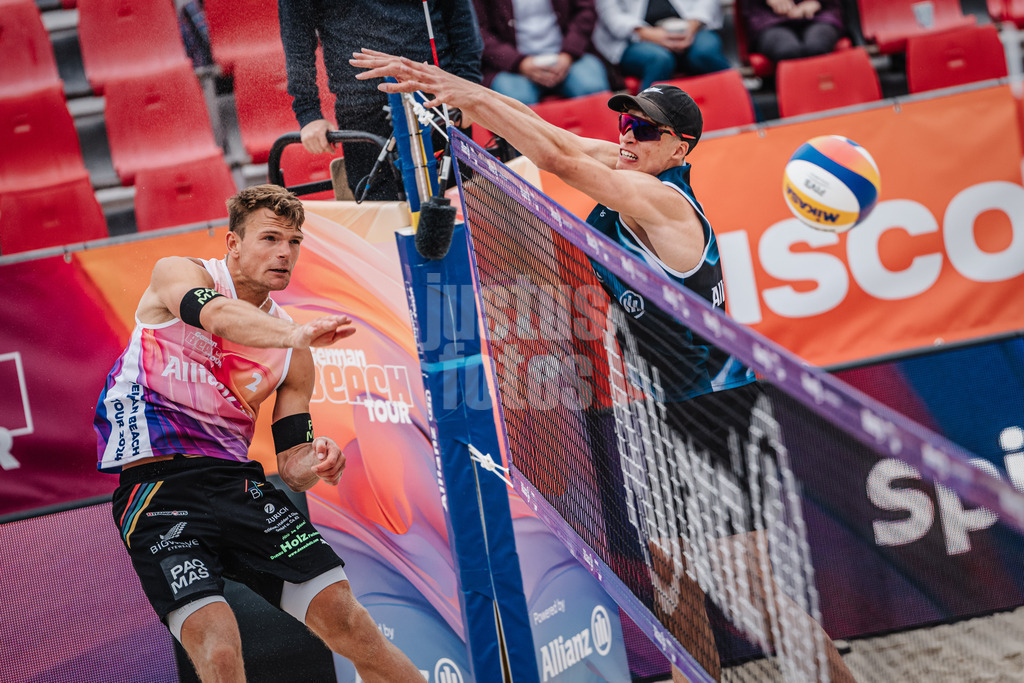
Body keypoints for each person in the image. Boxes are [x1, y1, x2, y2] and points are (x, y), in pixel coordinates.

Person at [351, 50, 856, 682]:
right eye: (624, 124)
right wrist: (457, 93)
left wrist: (452, 89)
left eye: (644, 131)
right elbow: (553, 137)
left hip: (713, 412)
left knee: (755, 595)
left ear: (680, 148)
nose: (627, 137)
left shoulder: (663, 201)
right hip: (660, 408)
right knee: (673, 579)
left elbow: (558, 161)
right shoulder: (628, 166)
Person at [93, 184, 423, 682]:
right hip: (158, 490)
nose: (284, 253)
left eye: (294, 242)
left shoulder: (294, 348)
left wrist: (317, 462)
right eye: (270, 238)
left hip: (239, 486)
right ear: (232, 243)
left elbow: (292, 464)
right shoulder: (180, 275)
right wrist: (294, 334)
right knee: (219, 647)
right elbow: (221, 317)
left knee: (354, 626)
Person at [279, 0, 483, 201]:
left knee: (456, 212)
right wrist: (308, 113)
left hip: (440, 100)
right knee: (384, 219)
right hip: (363, 109)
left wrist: (467, 86)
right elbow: (297, 37)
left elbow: (460, 16)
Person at [473, 0, 610, 105]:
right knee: (518, 104)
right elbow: (479, 31)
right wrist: (519, 63)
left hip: (569, 57)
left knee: (593, 90)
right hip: (510, 66)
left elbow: (586, 12)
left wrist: (568, 53)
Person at [593, 0, 732, 91]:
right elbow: (611, 15)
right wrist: (649, 34)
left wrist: (692, 25)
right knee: (659, 59)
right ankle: (646, 126)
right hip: (635, 40)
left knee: (704, 53)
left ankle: (748, 114)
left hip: (693, 29)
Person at [737, 0, 845, 63]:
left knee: (817, 45)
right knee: (787, 50)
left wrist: (816, 2)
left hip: (819, 17)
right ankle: (791, 95)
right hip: (769, 22)